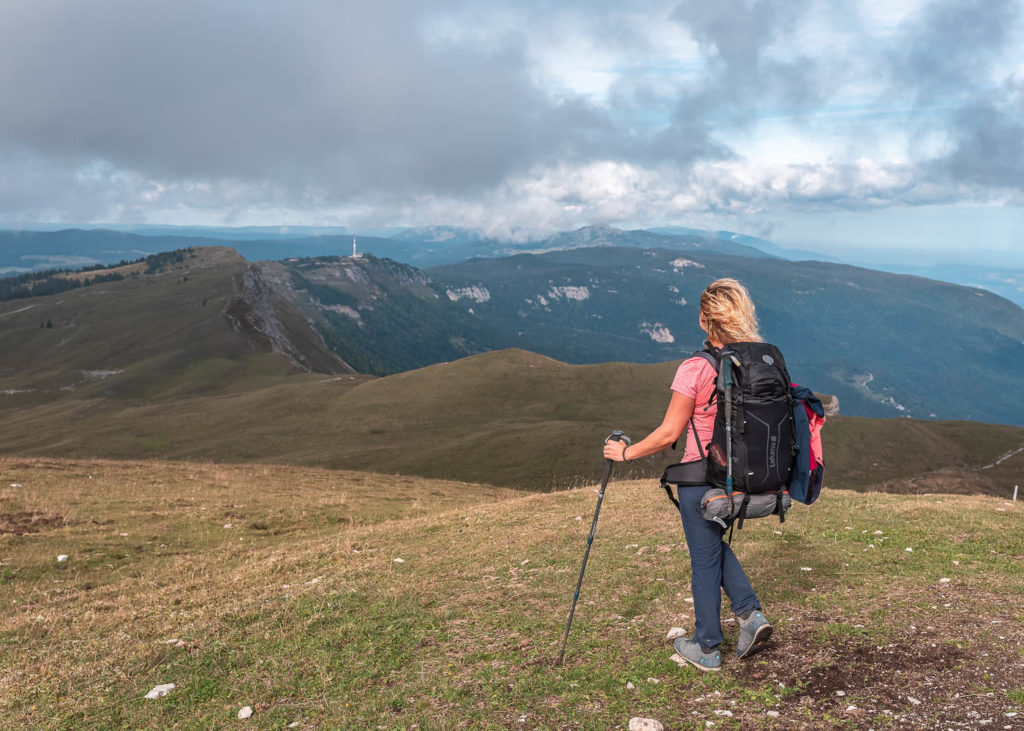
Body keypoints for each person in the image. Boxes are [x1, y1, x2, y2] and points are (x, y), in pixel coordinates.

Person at [602, 278, 772, 672]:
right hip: (742, 476)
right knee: (712, 546)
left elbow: (668, 434)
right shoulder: (755, 362)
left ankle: (708, 647)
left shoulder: (696, 367)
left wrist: (624, 452)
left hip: (701, 478)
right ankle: (750, 615)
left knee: (704, 558)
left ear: (703, 319)